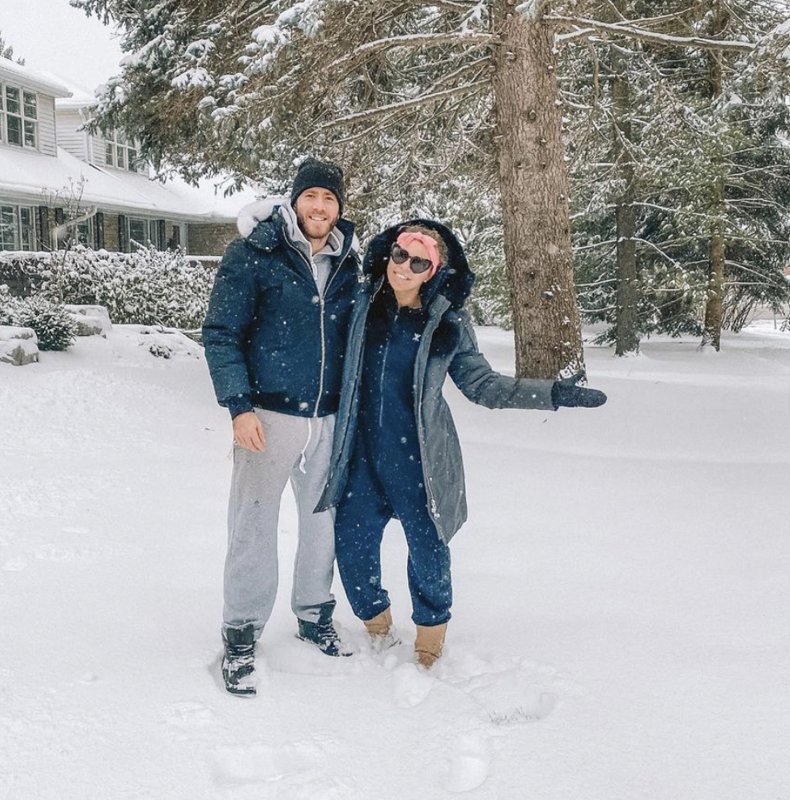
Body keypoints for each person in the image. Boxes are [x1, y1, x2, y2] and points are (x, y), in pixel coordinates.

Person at [316, 220, 606, 669]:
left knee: (429, 554)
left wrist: (552, 393)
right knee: (352, 548)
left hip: (421, 463)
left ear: (431, 271)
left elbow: (483, 385)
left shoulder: (446, 323)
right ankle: (376, 625)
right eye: (399, 256)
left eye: (418, 262)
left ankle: (430, 637)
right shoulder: (361, 306)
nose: (404, 268)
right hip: (362, 458)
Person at [202, 158, 364, 696]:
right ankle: (242, 632)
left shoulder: (349, 263)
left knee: (322, 523)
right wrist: (238, 406)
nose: (320, 208)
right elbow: (221, 333)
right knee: (253, 523)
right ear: (295, 201)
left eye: (330, 200)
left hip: (330, 417)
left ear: (340, 208)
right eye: (312, 196)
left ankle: (315, 613)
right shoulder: (254, 255)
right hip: (267, 418)